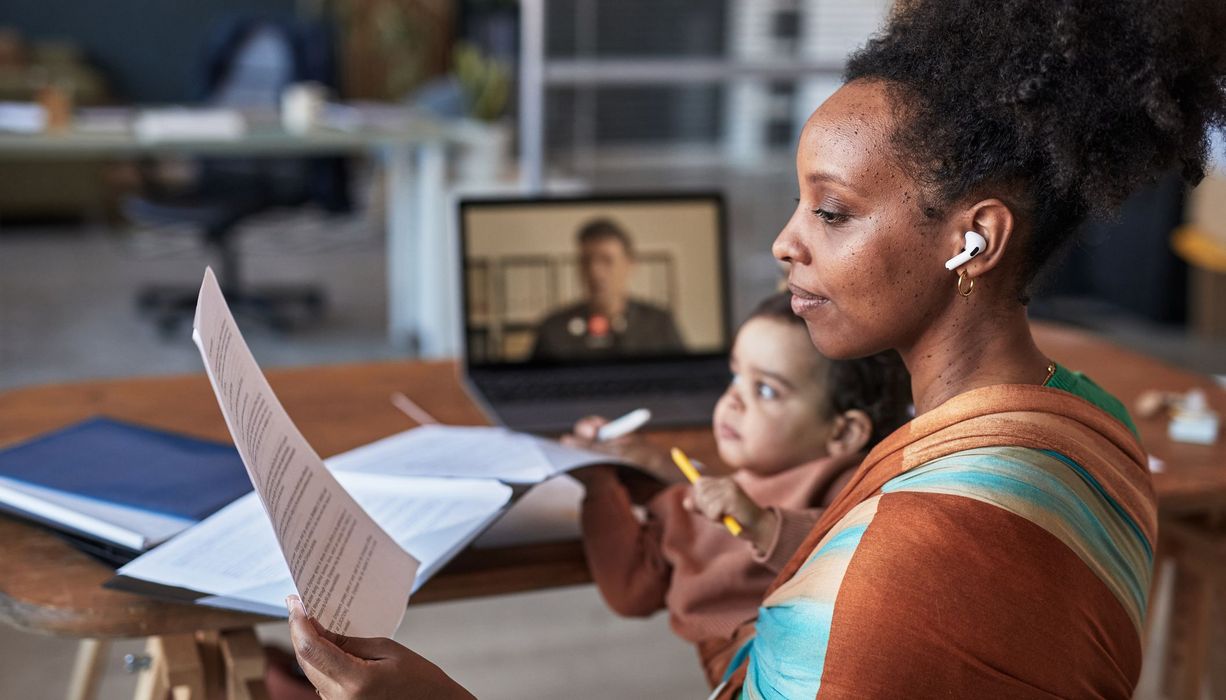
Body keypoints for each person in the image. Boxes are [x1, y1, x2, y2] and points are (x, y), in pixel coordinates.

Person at [285, 0, 1226, 696]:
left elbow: (890, 590)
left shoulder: (915, 564)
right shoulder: (1088, 424)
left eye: (832, 210)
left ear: (972, 239)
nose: (786, 242)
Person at [565, 291, 911, 688]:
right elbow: (630, 590)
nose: (732, 400)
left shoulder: (850, 482)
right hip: (744, 676)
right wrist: (598, 484)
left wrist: (765, 527)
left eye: (765, 390)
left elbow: (864, 560)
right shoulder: (688, 503)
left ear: (844, 432)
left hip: (820, 663)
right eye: (735, 376)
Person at [529, 218, 685, 361]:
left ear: (629, 264)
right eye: (586, 261)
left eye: (607, 260)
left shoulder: (659, 323)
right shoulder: (553, 330)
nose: (595, 272)